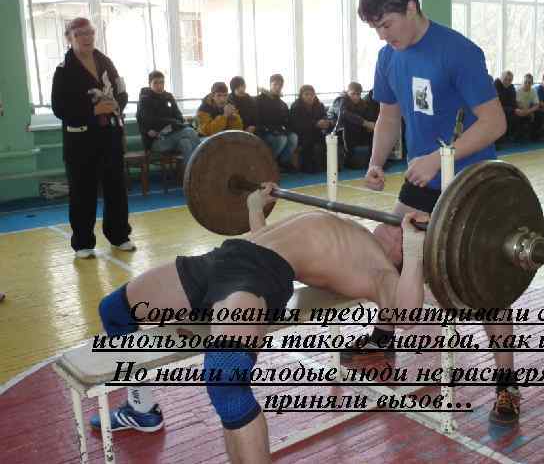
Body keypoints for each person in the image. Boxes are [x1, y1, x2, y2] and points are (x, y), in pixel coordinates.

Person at [92, 183, 427, 463]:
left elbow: (407, 316)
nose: (396, 226)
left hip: (256, 275)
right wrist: (255, 207)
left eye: (405, 233)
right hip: (220, 259)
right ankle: (141, 408)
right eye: (398, 225)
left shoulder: (380, 270)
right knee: (114, 311)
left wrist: (414, 252)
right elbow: (268, 240)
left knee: (225, 377)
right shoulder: (356, 235)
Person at [356, 0, 520, 425]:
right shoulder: (389, 57)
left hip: (471, 178)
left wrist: (441, 156)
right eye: (375, 29)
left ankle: (506, 384)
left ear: (410, 7)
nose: (382, 35)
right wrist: (376, 161)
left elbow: (493, 123)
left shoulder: (459, 51)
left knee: (489, 283)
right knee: (386, 245)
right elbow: (389, 115)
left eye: (386, 24)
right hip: (423, 175)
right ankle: (384, 333)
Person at [51, 17, 135, 259]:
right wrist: (92, 111)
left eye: (89, 33)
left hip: (109, 135)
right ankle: (83, 243)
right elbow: (59, 107)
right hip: (80, 141)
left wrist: (114, 105)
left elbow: (121, 90)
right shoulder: (63, 71)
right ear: (69, 38)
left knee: (116, 188)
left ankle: (119, 236)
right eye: (80, 34)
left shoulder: (106, 62)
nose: (86, 38)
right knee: (82, 192)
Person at [137, 70, 200, 164]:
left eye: (162, 82)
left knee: (185, 143)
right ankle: (203, 166)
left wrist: (170, 124)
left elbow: (179, 117)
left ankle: (189, 177)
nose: (159, 86)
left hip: (174, 135)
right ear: (150, 84)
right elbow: (150, 121)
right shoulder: (145, 100)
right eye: (156, 83)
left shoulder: (168, 97)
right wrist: (171, 122)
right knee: (189, 131)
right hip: (156, 141)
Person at [256, 74, 298, 171]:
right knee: (281, 139)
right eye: (275, 84)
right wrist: (267, 129)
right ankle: (268, 163)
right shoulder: (259, 100)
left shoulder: (282, 104)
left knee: (293, 137)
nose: (277, 87)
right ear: (270, 85)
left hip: (278, 131)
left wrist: (288, 130)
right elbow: (257, 119)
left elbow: (286, 121)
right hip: (264, 131)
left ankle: (282, 163)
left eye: (280, 85)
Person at [331, 82, 379, 168]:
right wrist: (365, 123)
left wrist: (371, 125)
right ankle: (349, 159)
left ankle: (374, 160)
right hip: (337, 131)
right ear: (347, 92)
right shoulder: (340, 100)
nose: (356, 97)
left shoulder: (362, 103)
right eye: (353, 94)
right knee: (348, 124)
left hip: (356, 131)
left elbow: (368, 116)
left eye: (358, 94)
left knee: (374, 130)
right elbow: (344, 114)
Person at [289, 84, 332, 173]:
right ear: (301, 95)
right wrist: (315, 124)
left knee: (329, 139)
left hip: (317, 132)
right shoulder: (296, 106)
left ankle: (328, 164)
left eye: (312, 95)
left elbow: (324, 116)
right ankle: (308, 166)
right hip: (301, 134)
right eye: (306, 94)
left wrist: (326, 122)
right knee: (309, 141)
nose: (309, 97)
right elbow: (296, 125)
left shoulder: (319, 105)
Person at [512, 73, 543, 141]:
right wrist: (528, 112)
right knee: (517, 114)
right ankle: (517, 135)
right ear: (522, 82)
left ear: (532, 83)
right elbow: (518, 104)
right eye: (525, 82)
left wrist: (530, 111)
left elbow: (537, 105)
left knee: (539, 114)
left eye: (529, 82)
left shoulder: (533, 90)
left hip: (528, 110)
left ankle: (534, 135)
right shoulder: (518, 90)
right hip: (519, 110)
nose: (527, 84)